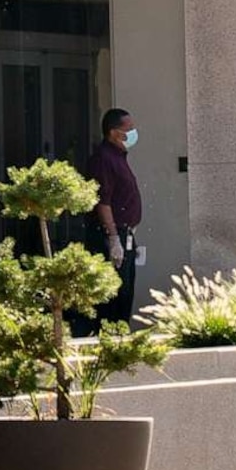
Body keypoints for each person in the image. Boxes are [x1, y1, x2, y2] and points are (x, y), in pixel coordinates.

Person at [85, 108, 145, 324]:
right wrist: (113, 238)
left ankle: (120, 339)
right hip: (111, 234)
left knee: (126, 293)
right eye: (128, 130)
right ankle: (109, 339)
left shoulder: (119, 157)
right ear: (113, 132)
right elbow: (103, 201)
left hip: (125, 233)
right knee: (114, 297)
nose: (133, 133)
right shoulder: (104, 159)